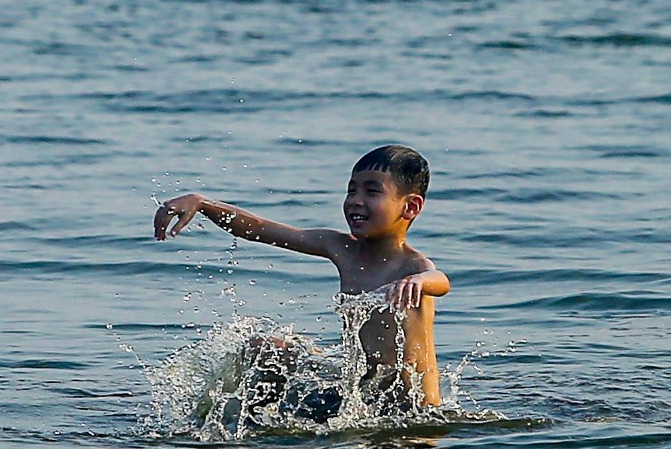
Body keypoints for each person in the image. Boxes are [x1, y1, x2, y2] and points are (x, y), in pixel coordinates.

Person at [151, 144, 451, 411]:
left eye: (372, 192)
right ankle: (244, 421)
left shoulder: (410, 265)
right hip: (360, 394)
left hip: (410, 405)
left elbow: (440, 280)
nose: (355, 201)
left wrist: (418, 282)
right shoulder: (343, 249)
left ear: (410, 206)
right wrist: (203, 204)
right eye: (351, 190)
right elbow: (259, 229)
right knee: (265, 348)